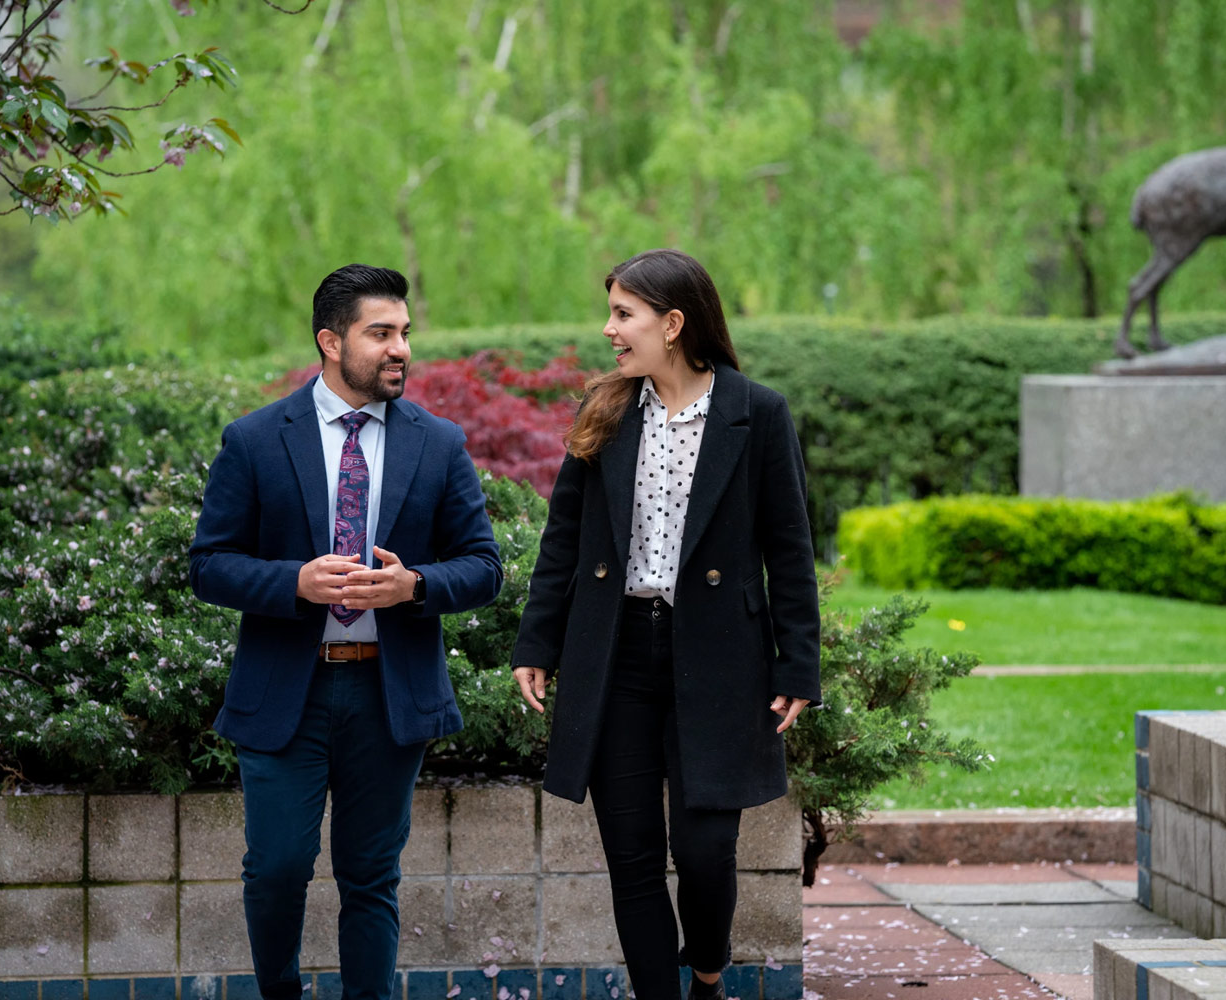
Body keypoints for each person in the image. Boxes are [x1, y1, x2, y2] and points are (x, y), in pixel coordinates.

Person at [510, 248, 820, 1000]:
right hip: (615, 655)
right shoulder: (608, 409)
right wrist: (538, 642)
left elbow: (790, 548)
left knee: (708, 852)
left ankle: (706, 973)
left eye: (625, 314)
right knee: (634, 858)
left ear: (673, 324)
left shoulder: (757, 412)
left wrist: (797, 667)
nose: (609, 329)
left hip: (719, 661)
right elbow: (564, 541)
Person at [189, 264, 503, 1000]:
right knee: (276, 869)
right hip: (284, 696)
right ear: (331, 341)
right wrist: (291, 582)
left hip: (387, 695)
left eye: (404, 334)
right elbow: (209, 565)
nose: (401, 350)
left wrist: (414, 586)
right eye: (381, 333)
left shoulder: (439, 443)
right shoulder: (258, 439)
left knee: (371, 878)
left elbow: (484, 567)